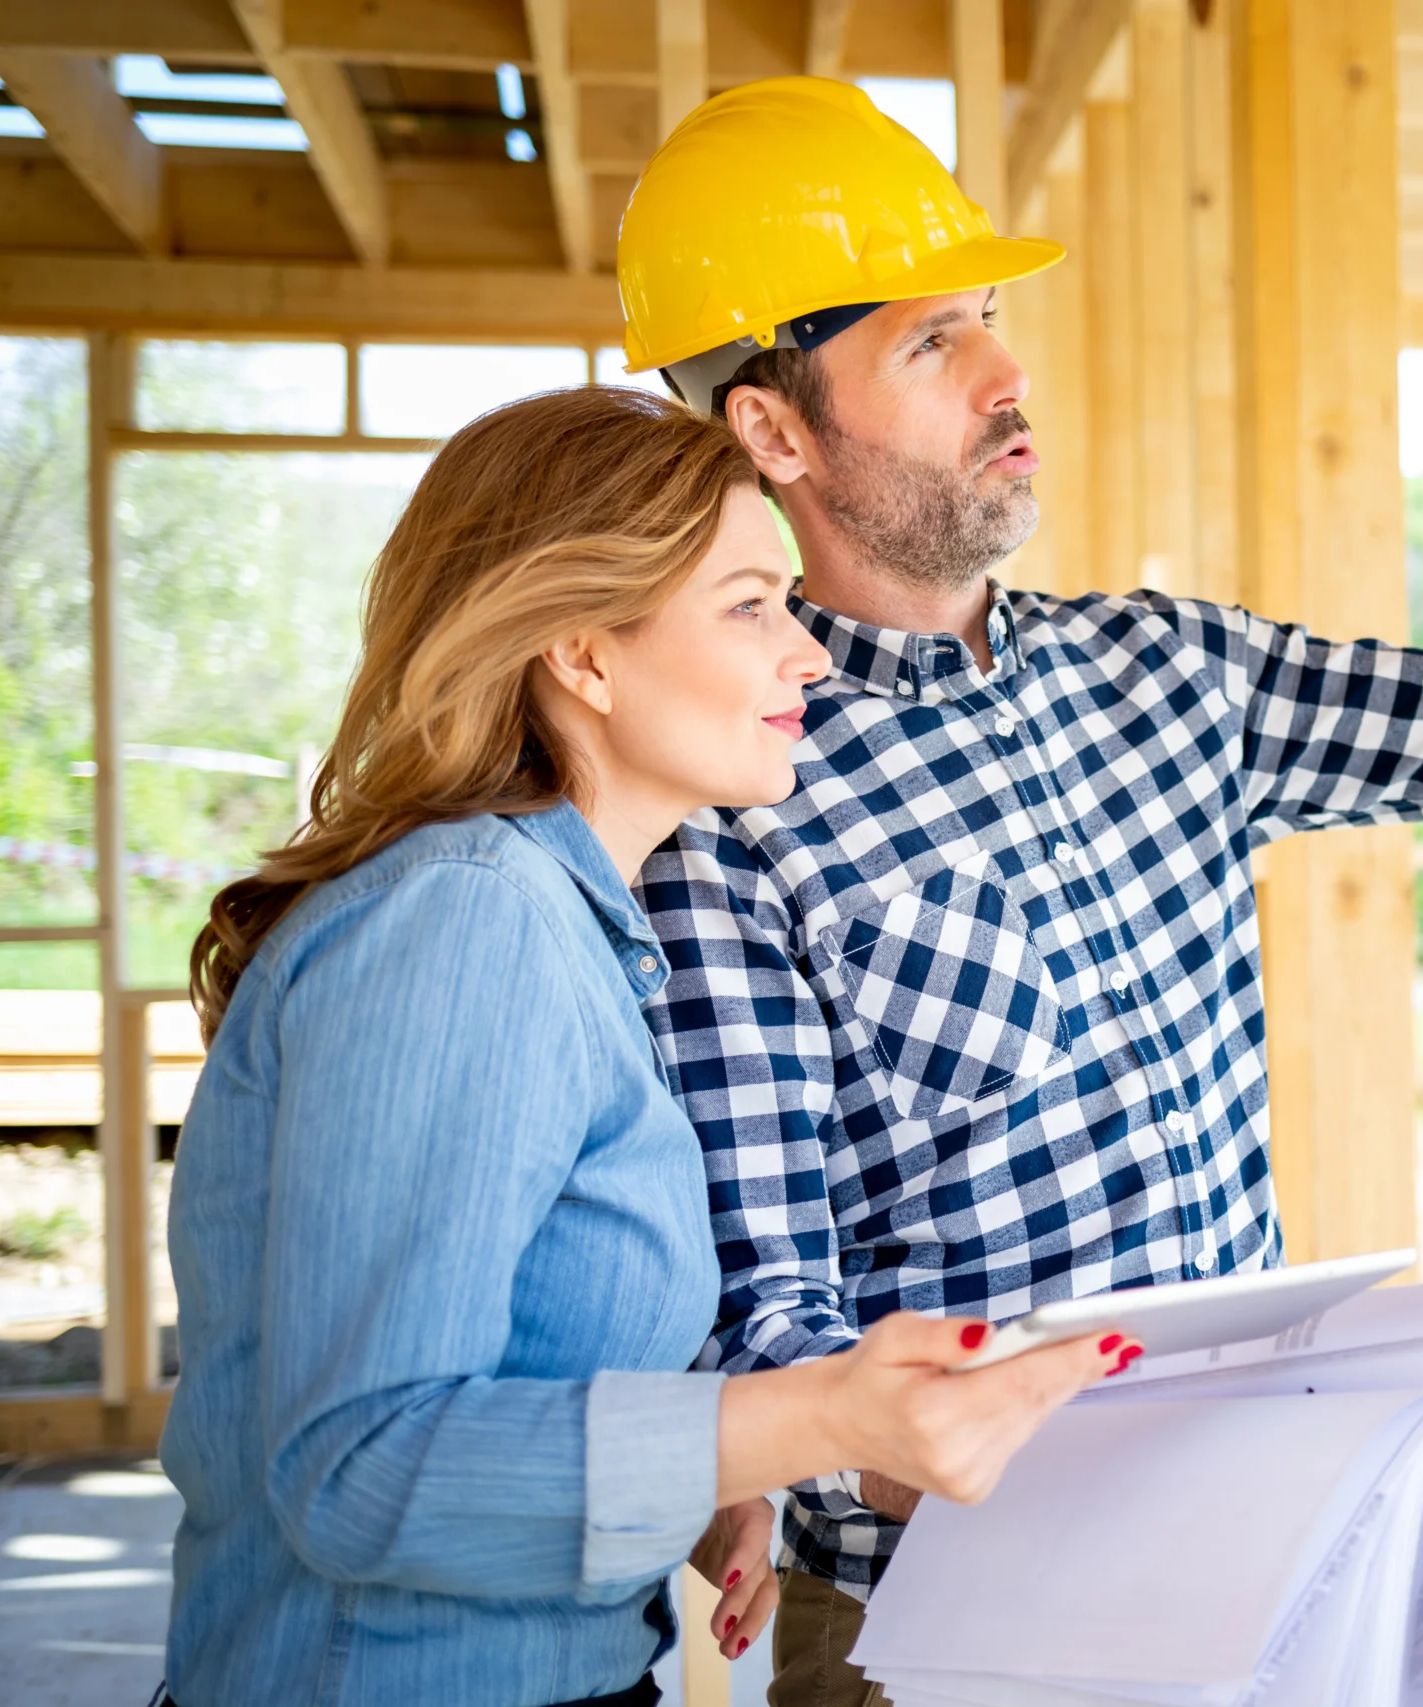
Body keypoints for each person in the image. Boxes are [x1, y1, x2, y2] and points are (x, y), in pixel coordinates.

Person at [619, 78, 1423, 1707]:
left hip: (1279, 1579)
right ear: (774, 429)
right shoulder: (737, 797)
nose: (1011, 372)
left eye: (991, 319)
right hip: (943, 1634)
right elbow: (769, 1337)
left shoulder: (1169, 673)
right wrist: (983, 1480)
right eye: (932, 343)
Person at [158, 385, 1138, 1707]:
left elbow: (504, 1369)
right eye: (748, 605)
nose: (809, 654)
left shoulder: (563, 924)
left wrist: (698, 1470)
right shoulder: (464, 922)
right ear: (583, 652)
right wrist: (824, 1416)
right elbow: (360, 1471)